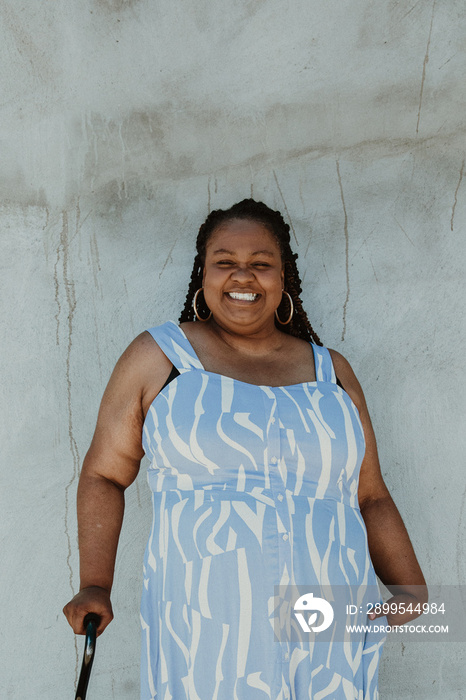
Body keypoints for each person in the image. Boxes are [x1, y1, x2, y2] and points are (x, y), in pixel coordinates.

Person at [63, 199, 427, 699]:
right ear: (203, 273)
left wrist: (413, 591)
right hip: (207, 621)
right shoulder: (161, 358)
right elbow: (104, 473)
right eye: (225, 261)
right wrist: (95, 584)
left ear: (283, 278)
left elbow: (370, 495)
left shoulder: (331, 373)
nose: (244, 276)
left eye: (261, 263)